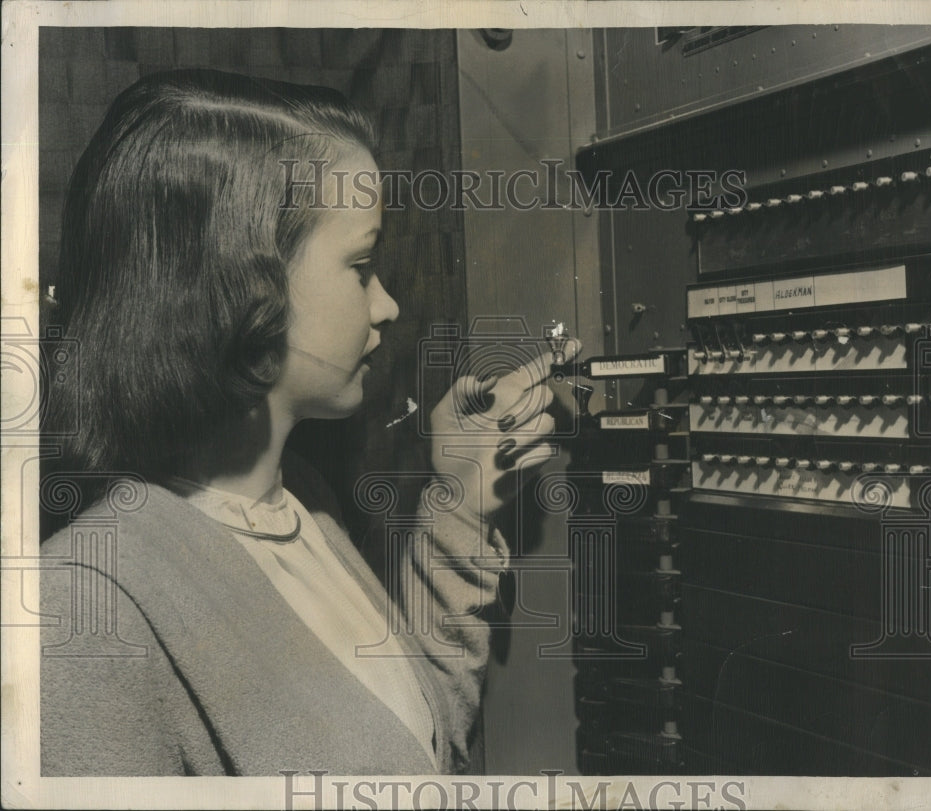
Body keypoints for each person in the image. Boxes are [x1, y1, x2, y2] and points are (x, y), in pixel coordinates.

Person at [39, 68, 579, 777]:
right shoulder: (81, 607)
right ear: (240, 286)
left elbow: (412, 749)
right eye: (360, 266)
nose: (385, 304)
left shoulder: (301, 500)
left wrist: (463, 498)